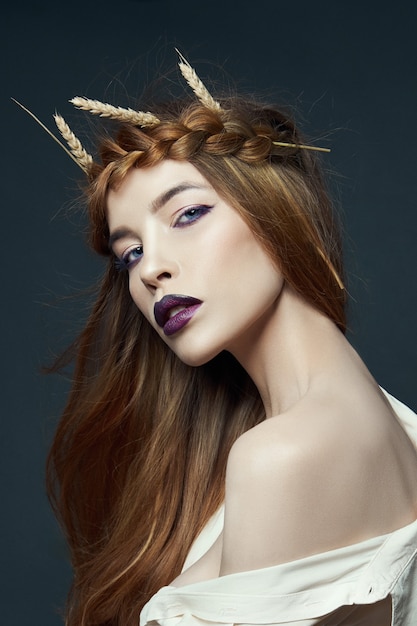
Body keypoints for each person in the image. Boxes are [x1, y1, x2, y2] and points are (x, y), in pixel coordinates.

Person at [21, 53, 417, 625]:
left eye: (186, 215)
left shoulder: (282, 456)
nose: (150, 269)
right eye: (128, 253)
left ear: (278, 212)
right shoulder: (386, 423)